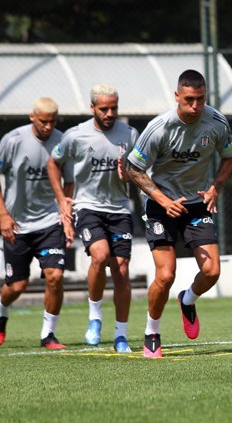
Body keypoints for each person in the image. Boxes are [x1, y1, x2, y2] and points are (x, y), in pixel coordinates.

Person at [126, 69, 232, 358]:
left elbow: (229, 157)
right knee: (165, 275)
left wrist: (216, 187)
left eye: (200, 99)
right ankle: (152, 332)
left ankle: (187, 300)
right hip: (160, 205)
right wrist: (163, 200)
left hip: (197, 203)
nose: (195, 106)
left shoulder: (216, 122)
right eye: (189, 99)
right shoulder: (159, 128)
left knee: (212, 271)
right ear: (177, 96)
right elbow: (133, 169)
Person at [48, 85, 139, 353]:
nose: (110, 113)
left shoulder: (130, 135)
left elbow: (140, 170)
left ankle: (121, 336)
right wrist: (62, 198)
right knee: (100, 256)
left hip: (119, 209)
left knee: (121, 270)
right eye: (104, 109)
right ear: (92, 108)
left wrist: (128, 175)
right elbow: (53, 163)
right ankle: (95, 317)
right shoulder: (75, 136)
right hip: (88, 206)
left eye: (114, 108)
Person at [0, 97, 71, 349]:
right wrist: (3, 215)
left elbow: (70, 180)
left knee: (55, 275)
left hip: (50, 222)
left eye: (52, 122)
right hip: (17, 224)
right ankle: (1, 311)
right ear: (32, 117)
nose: (48, 127)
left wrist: (66, 215)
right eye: (43, 121)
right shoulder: (13, 141)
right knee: (16, 286)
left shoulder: (63, 142)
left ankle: (48, 335)